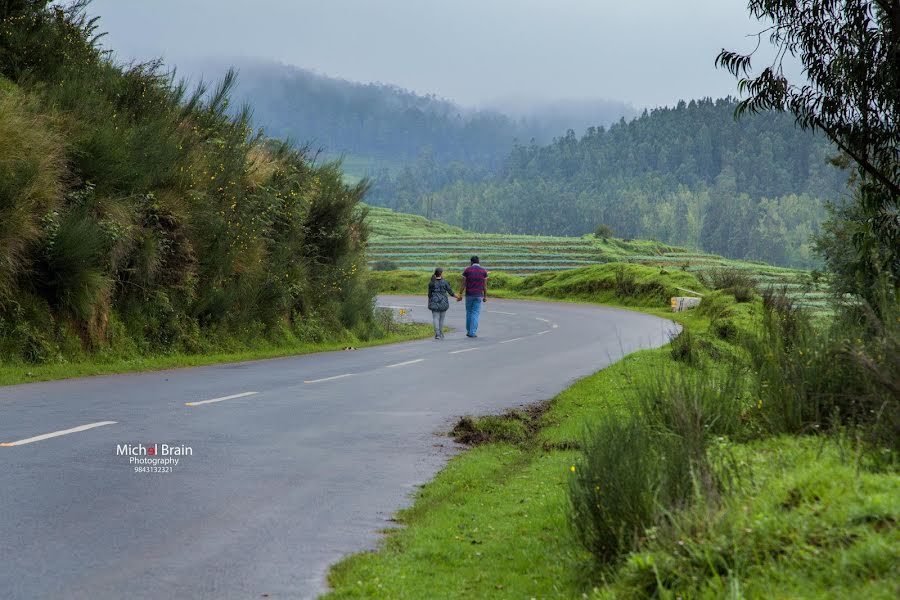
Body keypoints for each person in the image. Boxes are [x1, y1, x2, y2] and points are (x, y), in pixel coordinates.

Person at [427, 267, 459, 339]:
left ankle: (437, 334)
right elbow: (451, 293)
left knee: (435, 318)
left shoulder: (431, 283)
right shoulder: (445, 282)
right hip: (443, 302)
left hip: (434, 301)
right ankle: (441, 333)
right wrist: (458, 297)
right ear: (441, 273)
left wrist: (429, 303)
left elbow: (429, 295)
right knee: (441, 319)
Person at [460, 256, 488, 338]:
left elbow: (463, 284)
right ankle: (473, 332)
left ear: (471, 262)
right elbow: (485, 286)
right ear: (479, 262)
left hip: (469, 295)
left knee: (469, 312)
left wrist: (460, 293)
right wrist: (485, 296)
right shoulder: (483, 271)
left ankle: (469, 331)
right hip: (479, 295)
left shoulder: (467, 270)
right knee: (475, 313)